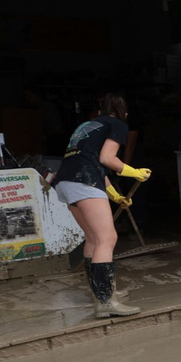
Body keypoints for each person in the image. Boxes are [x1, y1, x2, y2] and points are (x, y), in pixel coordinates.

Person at [53, 92, 151, 318]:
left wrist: (115, 196)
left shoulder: (87, 126)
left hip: (66, 181)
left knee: (93, 239)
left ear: (99, 111)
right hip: (84, 181)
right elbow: (108, 158)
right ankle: (106, 301)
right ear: (124, 113)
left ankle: (101, 292)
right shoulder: (118, 124)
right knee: (107, 239)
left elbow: (95, 164)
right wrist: (134, 172)